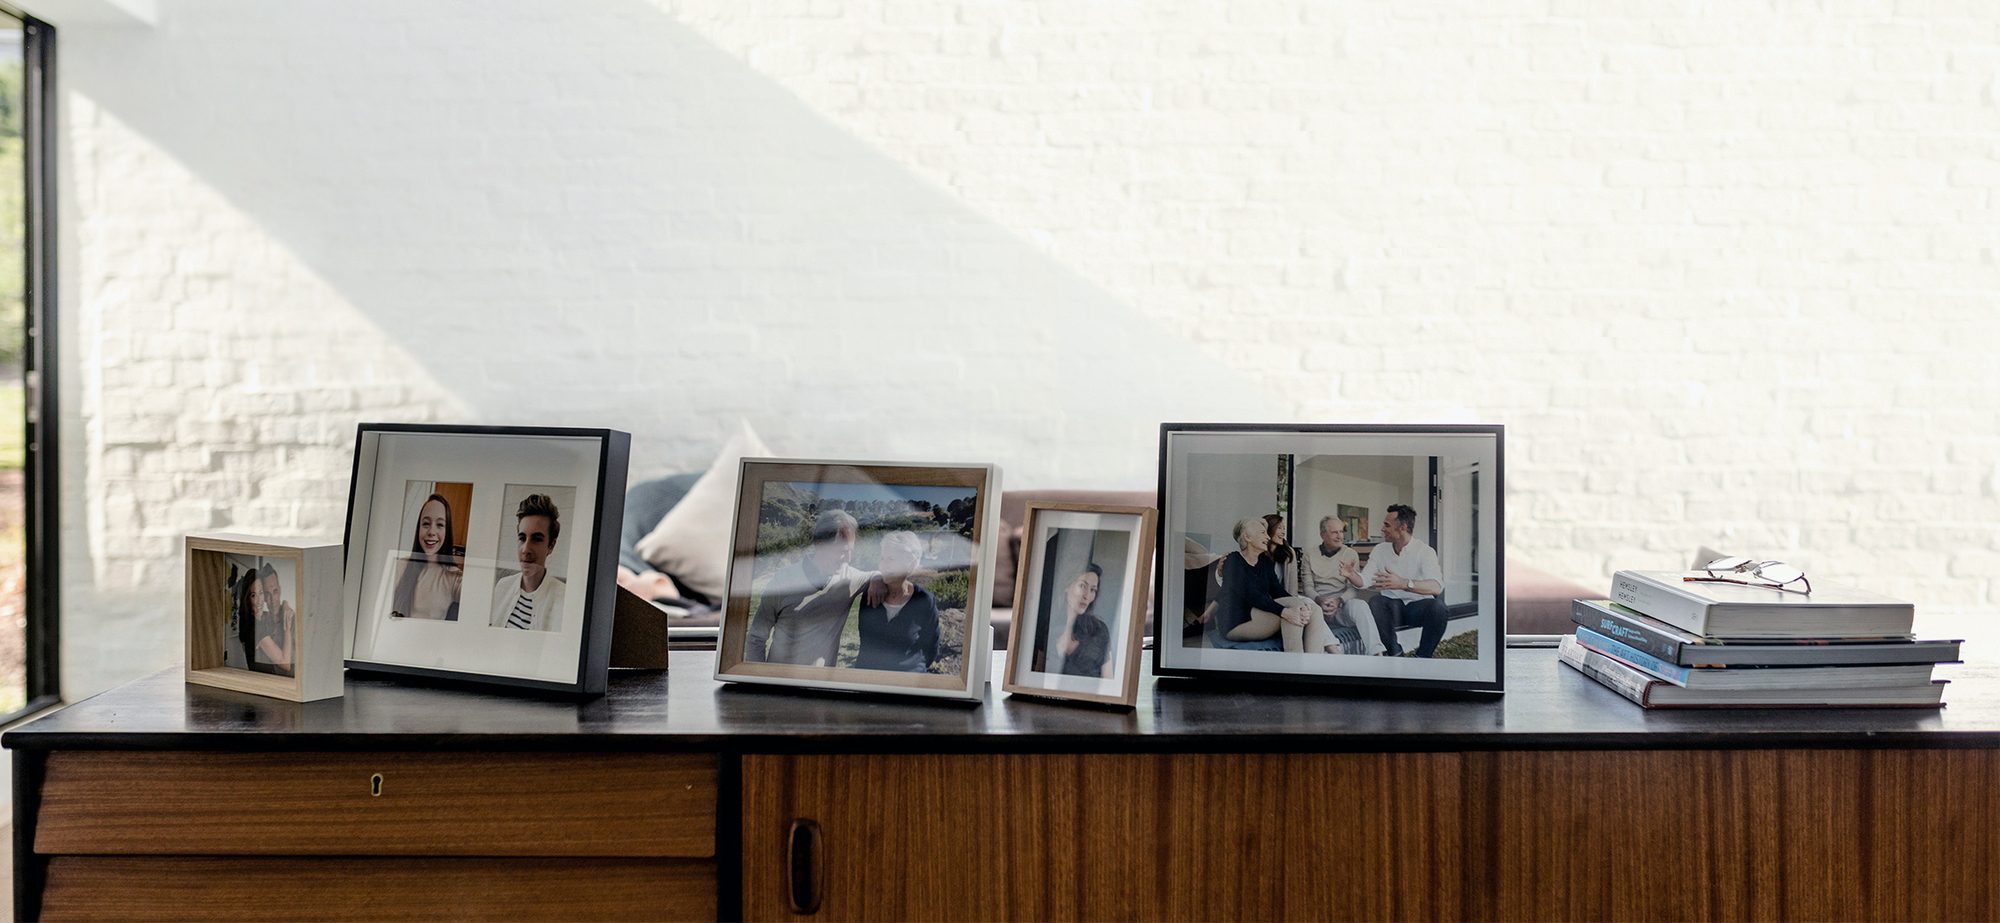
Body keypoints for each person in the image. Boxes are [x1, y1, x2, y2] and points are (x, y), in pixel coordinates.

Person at [746, 510, 873, 666]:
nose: (848, 559)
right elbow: (756, 638)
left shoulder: (850, 578)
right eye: (841, 552)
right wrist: (759, 677)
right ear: (819, 545)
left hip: (823, 681)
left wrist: (877, 580)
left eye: (850, 551)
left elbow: (882, 576)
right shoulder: (783, 581)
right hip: (778, 679)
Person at [1212, 517, 1328, 653]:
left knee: (1314, 610)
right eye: (1262, 533)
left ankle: (1313, 662)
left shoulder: (1265, 561)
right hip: (1236, 622)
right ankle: (1295, 662)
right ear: (1248, 537)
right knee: (1294, 609)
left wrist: (1303, 605)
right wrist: (1284, 611)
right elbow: (1251, 595)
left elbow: (1278, 591)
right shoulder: (1233, 560)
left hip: (1259, 614)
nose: (1268, 537)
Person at [1363, 503, 1449, 657]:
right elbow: (1365, 579)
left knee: (1439, 608)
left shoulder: (1425, 551)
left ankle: (1422, 657)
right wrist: (1351, 575)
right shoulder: (1380, 550)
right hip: (1391, 607)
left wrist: (1403, 583)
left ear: (1402, 527)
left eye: (1387, 525)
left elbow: (1436, 587)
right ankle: (1396, 654)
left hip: (1416, 607)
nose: (1382, 529)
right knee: (1376, 602)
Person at [853, 531, 941, 673]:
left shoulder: (924, 600)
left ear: (910, 564)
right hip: (868, 678)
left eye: (891, 559)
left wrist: (916, 671)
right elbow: (865, 644)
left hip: (907, 681)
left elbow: (932, 647)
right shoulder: (870, 595)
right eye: (882, 558)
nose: (884, 565)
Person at [1302, 516, 1388, 655]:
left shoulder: (1350, 554)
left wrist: (1339, 600)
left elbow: (1352, 588)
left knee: (1360, 605)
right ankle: (1334, 650)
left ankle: (1376, 652)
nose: (1340, 536)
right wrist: (1319, 600)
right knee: (1305, 602)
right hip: (1318, 608)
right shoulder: (1309, 554)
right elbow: (1307, 587)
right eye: (1334, 532)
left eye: (1341, 532)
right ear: (1323, 535)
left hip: (1342, 607)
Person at [488, 494, 568, 631]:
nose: (525, 549)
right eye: (522, 538)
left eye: (536, 539)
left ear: (551, 546)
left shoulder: (564, 599)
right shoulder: (502, 585)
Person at [390, 493, 463, 621]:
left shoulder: (454, 577)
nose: (431, 532)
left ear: (447, 531)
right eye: (426, 524)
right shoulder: (399, 566)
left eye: (440, 525)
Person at [1036, 562, 1113, 679]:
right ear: (1067, 585)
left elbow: (1109, 682)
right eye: (1082, 586)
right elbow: (1038, 675)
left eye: (1093, 590)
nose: (1087, 596)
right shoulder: (1048, 626)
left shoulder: (1099, 630)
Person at [252, 562, 295, 676]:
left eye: (275, 591)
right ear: (264, 597)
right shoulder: (260, 622)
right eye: (267, 593)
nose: (272, 599)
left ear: (280, 591)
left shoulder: (294, 620)